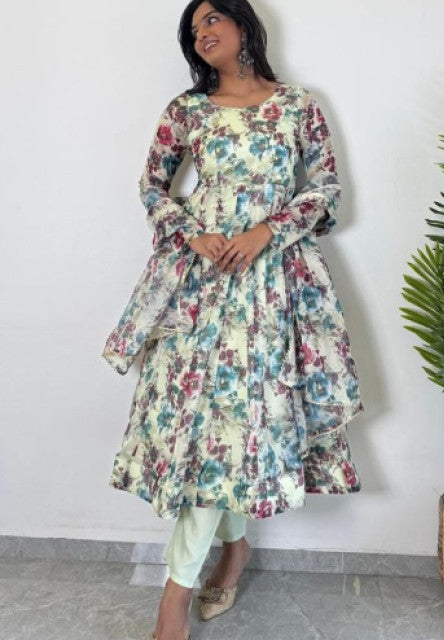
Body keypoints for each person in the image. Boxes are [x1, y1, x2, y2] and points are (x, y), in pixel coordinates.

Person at [102, 1, 365, 638]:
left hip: (274, 287)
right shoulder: (186, 110)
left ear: (244, 24)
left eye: (213, 19)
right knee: (200, 432)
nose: (203, 34)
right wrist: (191, 234)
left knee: (238, 428)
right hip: (200, 285)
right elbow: (151, 186)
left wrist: (266, 231)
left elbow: (325, 190)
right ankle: (209, 567)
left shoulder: (298, 105)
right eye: (194, 30)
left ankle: (188, 586)